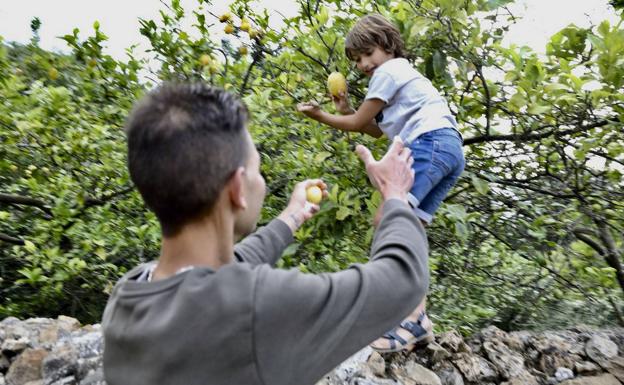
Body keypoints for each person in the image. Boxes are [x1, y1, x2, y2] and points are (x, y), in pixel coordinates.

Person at [101, 82, 430, 385]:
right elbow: (403, 279)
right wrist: (395, 195)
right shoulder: (255, 309)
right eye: (257, 170)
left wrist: (292, 216)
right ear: (236, 188)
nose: (261, 181)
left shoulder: (128, 296)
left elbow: (224, 269)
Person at [297, 14, 465, 352]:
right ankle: (417, 318)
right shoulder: (401, 75)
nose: (362, 64)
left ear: (388, 45)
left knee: (388, 221)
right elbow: (373, 129)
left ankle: (407, 320)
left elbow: (360, 121)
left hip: (429, 143)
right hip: (449, 148)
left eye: (367, 53)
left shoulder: (389, 71)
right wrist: (344, 107)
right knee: (411, 227)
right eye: (357, 60)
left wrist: (321, 116)